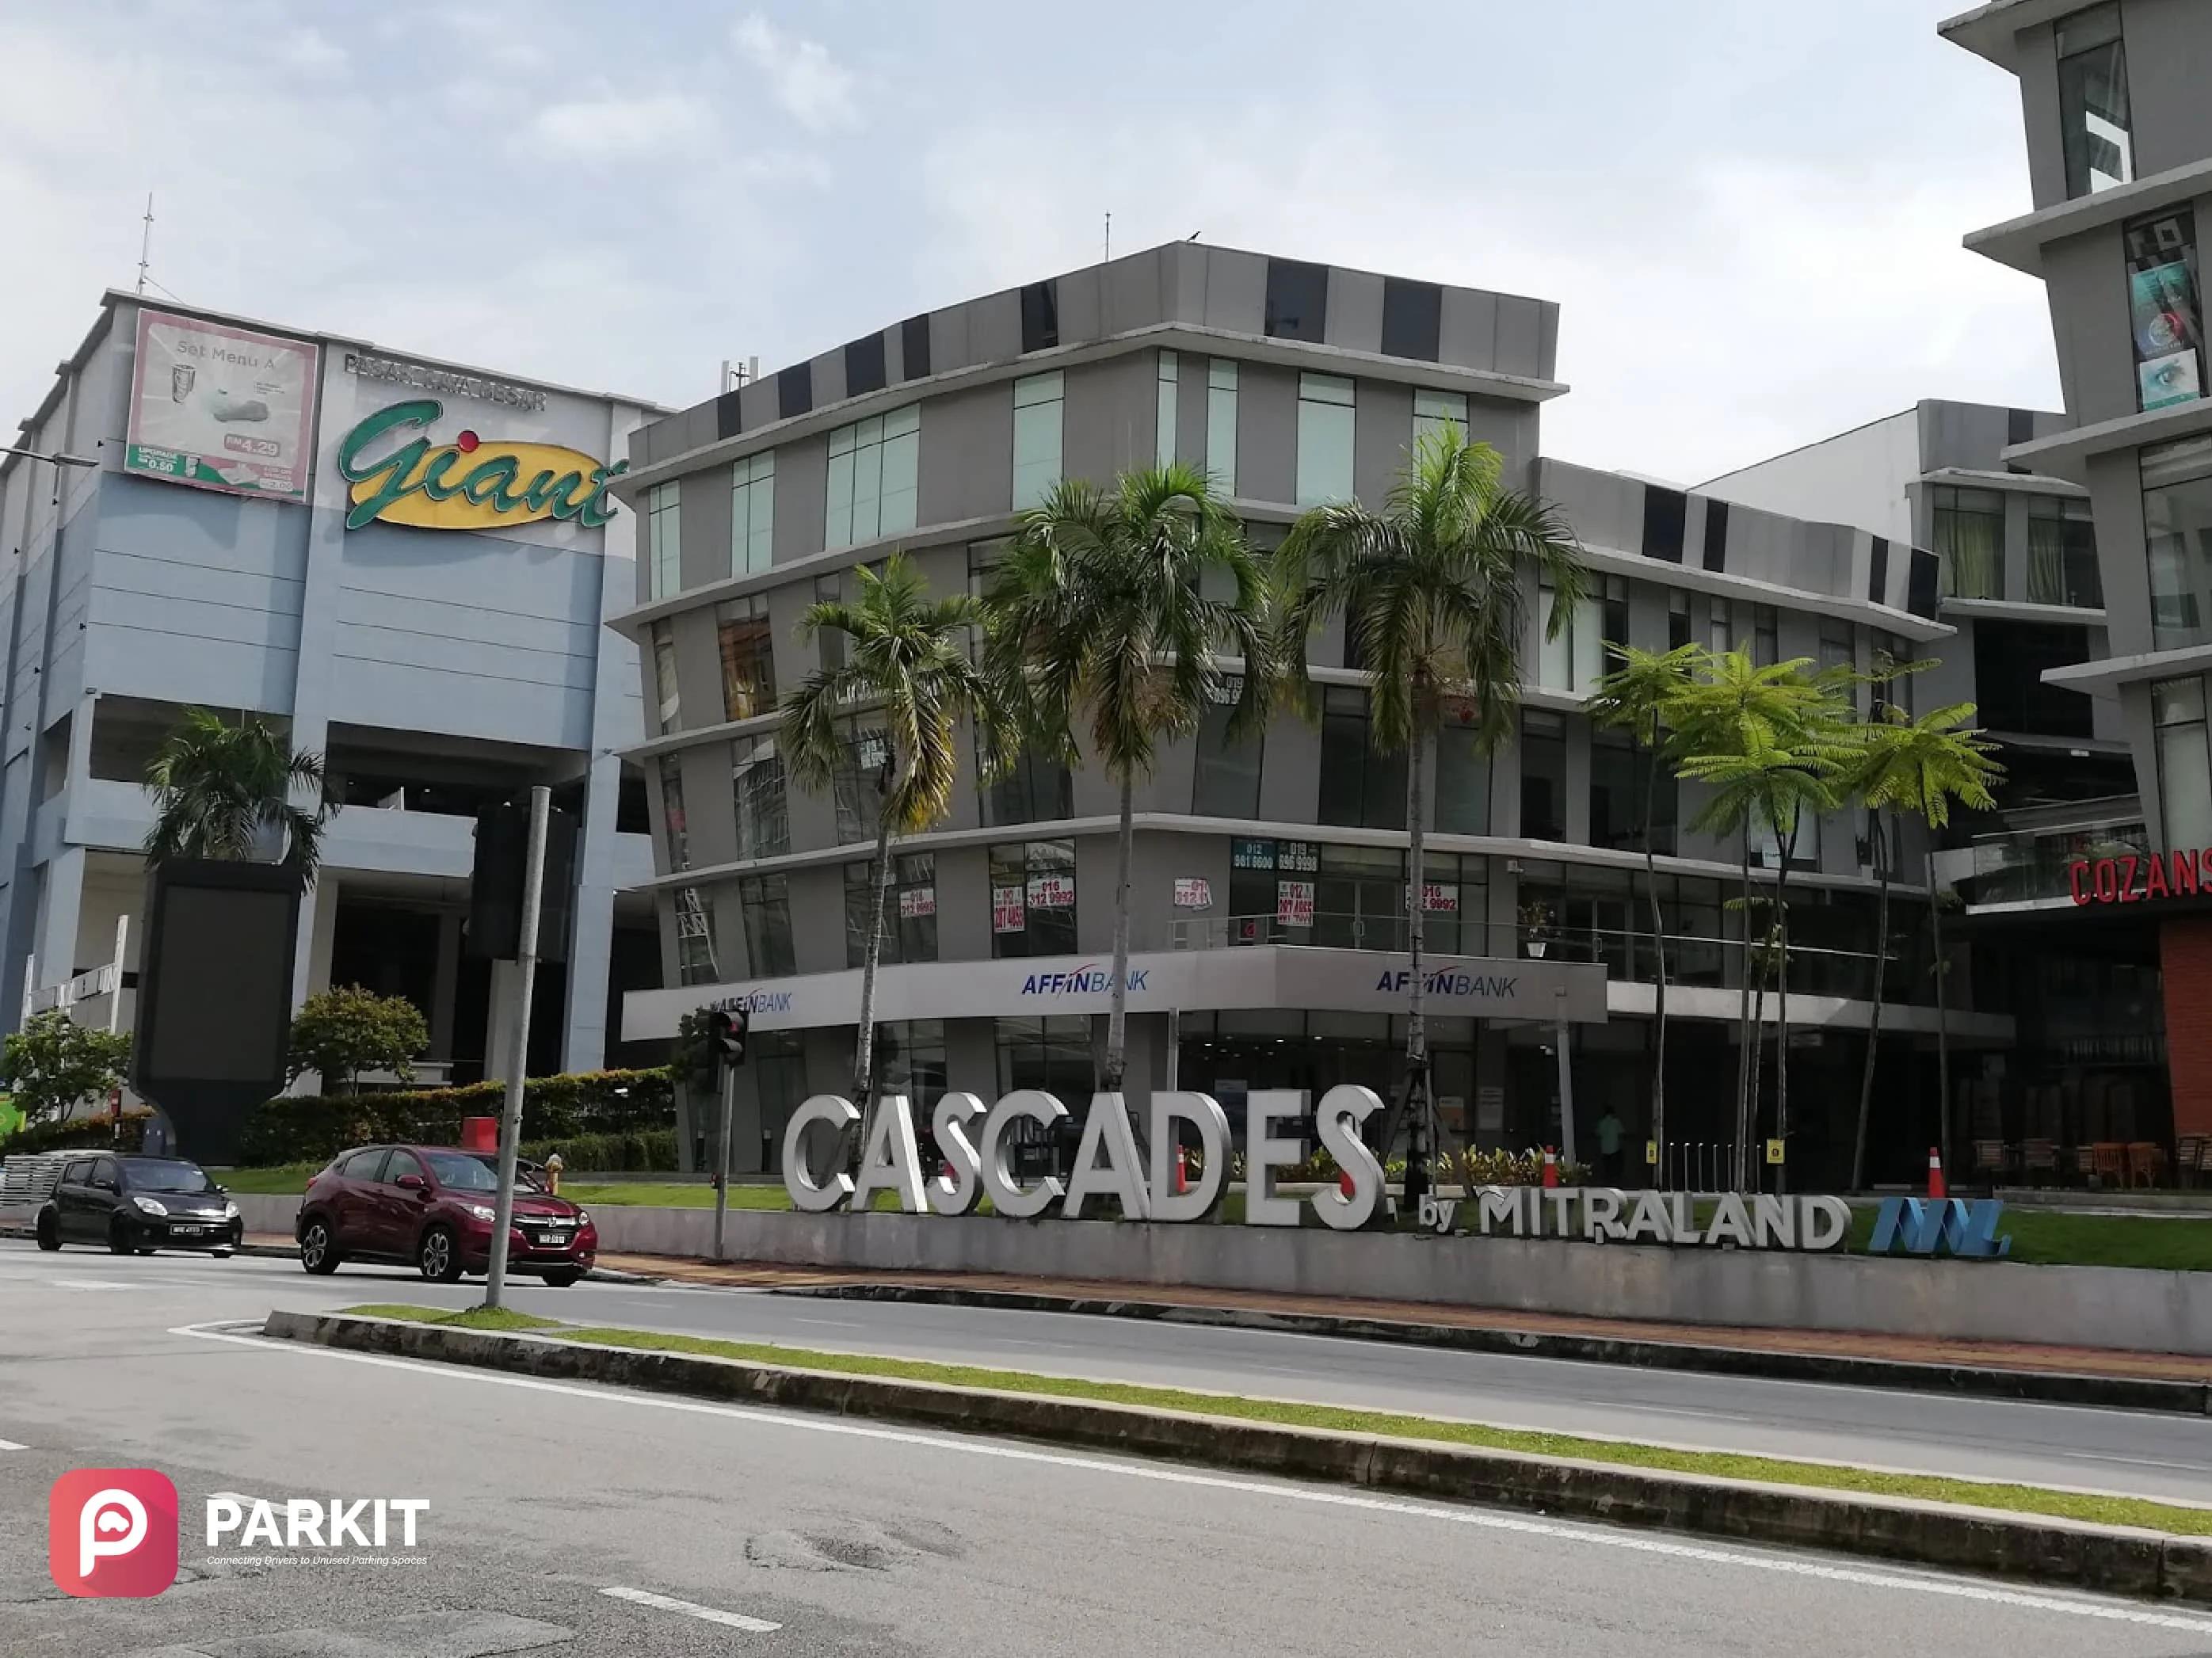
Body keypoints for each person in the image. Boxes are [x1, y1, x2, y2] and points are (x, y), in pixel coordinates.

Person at [1594, 1107, 1625, 1183]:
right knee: (1615, 1165)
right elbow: (1621, 1133)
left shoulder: (1602, 1122)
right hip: (1615, 1148)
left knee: (1606, 1166)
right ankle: (1615, 1179)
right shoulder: (1616, 1122)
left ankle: (1607, 1180)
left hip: (1605, 1149)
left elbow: (1597, 1134)